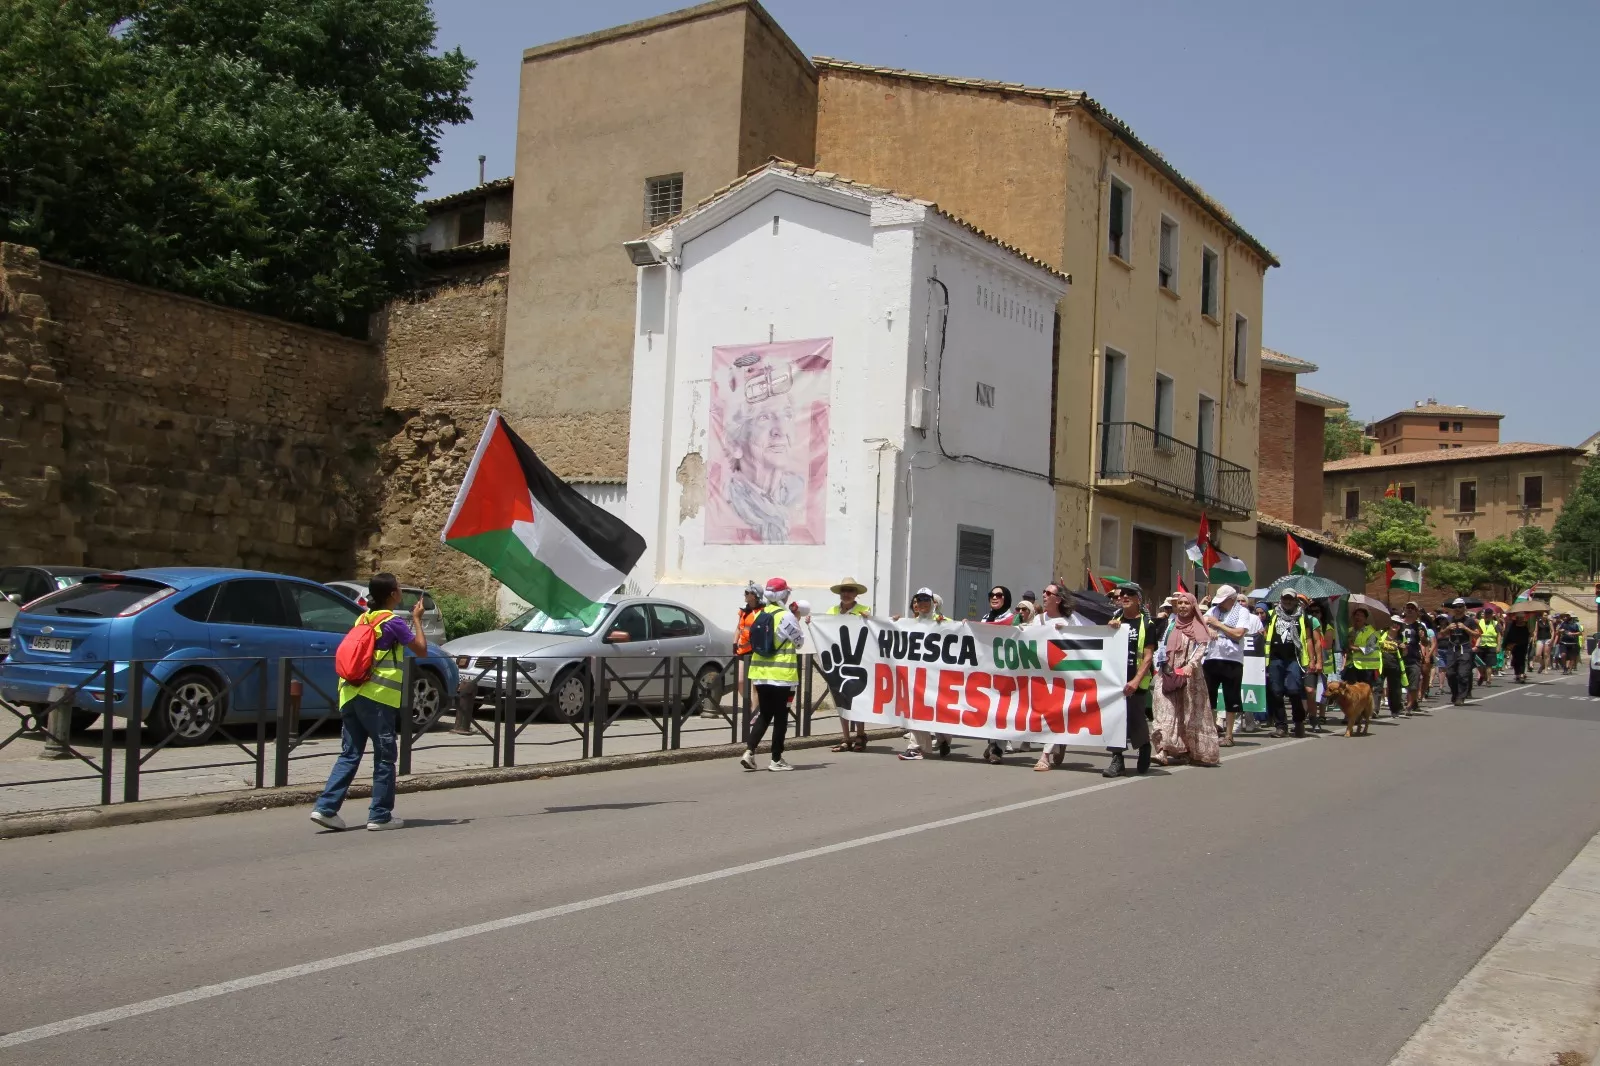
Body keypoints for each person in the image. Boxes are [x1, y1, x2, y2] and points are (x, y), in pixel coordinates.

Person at [311, 572, 429, 831]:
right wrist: (417, 620)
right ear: (392, 594)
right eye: (398, 588)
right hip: (377, 697)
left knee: (349, 754)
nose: (400, 591)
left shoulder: (362, 618)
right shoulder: (392, 621)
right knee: (385, 756)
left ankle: (326, 808)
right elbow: (421, 649)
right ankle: (380, 815)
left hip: (350, 693)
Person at [739, 577, 805, 772]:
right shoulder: (786, 616)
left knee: (765, 714)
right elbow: (799, 642)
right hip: (781, 675)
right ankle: (776, 759)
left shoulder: (760, 613)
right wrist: (797, 621)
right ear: (784, 595)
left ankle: (749, 751)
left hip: (759, 673)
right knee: (781, 716)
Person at [1033, 581, 1098, 771]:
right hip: (1042, 675)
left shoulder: (1072, 620)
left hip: (1065, 675)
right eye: (1043, 592)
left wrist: (1070, 634)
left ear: (1058, 599)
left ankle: (1045, 755)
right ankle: (1059, 742)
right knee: (1046, 713)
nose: (1044, 595)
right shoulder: (1038, 620)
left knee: (1057, 712)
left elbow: (1093, 634)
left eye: (1048, 593)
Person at [1150, 591, 1221, 767]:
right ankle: (1162, 751)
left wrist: (1190, 665)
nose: (1182, 606)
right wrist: (1160, 666)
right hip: (1168, 672)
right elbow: (1163, 645)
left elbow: (1201, 647)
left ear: (1193, 606)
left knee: (1188, 713)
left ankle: (1188, 749)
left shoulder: (1199, 626)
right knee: (1164, 709)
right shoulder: (1172, 624)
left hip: (1190, 674)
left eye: (1186, 603)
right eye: (1180, 603)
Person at [1100, 582, 1154, 777]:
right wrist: (1110, 628)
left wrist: (1136, 681)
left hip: (1137, 679)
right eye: (1120, 594)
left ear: (1138, 599)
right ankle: (1117, 759)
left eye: (1129, 594)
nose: (1123, 597)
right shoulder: (1115, 621)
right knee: (1114, 718)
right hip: (1115, 680)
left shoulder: (1147, 624)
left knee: (1136, 718)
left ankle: (1144, 746)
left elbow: (1148, 657)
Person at [1202, 585, 1261, 746]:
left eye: (1223, 601)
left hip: (1232, 659)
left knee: (1231, 697)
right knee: (1209, 696)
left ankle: (1229, 735)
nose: (1220, 604)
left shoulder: (1242, 612)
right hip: (1212, 657)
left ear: (1232, 600)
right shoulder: (1213, 610)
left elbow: (1239, 633)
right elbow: (1202, 622)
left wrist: (1217, 625)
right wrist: (1209, 628)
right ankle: (1211, 731)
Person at [897, 588, 950, 761]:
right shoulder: (910, 623)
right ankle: (918, 747)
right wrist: (894, 623)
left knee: (938, 710)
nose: (922, 603)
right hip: (917, 676)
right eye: (919, 600)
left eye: (926, 599)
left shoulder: (944, 622)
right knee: (916, 710)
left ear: (933, 603)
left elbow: (960, 635)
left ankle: (943, 739)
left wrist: (962, 625)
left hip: (938, 676)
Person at [827, 577, 872, 753]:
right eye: (844, 590)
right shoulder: (831, 611)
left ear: (856, 594)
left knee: (857, 699)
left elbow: (872, 628)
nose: (846, 594)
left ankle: (860, 734)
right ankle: (846, 737)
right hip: (837, 661)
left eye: (850, 591)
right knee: (841, 699)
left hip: (857, 661)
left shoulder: (864, 610)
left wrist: (870, 619)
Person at [1264, 589, 1314, 737]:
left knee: (1293, 690)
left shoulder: (1302, 616)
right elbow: (1264, 632)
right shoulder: (1272, 614)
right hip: (1275, 658)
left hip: (1294, 658)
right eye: (1285, 599)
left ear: (1295, 601)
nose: (1287, 601)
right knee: (1276, 692)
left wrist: (1312, 660)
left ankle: (1299, 722)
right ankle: (1281, 726)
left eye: (1290, 599)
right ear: (1281, 599)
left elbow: (1309, 639)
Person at [979, 586, 1017, 763]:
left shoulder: (1012, 619)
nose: (994, 598)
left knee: (1001, 710)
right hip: (986, 671)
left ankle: (998, 748)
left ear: (1006, 598)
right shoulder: (986, 618)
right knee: (988, 709)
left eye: (999, 595)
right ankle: (992, 742)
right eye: (991, 595)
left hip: (1005, 671)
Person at [1438, 598, 1480, 706]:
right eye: (1456, 607)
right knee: (1450, 673)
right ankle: (1455, 693)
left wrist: (1465, 628)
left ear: (1464, 608)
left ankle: (1461, 696)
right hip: (1452, 649)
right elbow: (1441, 634)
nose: (1458, 609)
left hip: (1464, 648)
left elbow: (1477, 634)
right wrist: (1447, 628)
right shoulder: (1449, 619)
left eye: (1460, 606)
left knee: (1463, 674)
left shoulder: (1470, 620)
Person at [733, 581, 762, 712]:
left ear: (754, 595)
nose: (744, 595)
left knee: (756, 685)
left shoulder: (762, 611)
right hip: (742, 651)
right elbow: (739, 628)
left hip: (756, 652)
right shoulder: (743, 611)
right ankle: (750, 704)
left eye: (747, 593)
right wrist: (734, 643)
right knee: (739, 681)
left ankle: (754, 712)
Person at [1343, 607, 1382, 687]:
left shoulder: (1371, 632)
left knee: (1365, 693)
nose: (1358, 617)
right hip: (1351, 665)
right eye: (1357, 615)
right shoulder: (1349, 631)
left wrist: (1353, 647)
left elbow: (1370, 649)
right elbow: (1344, 647)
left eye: (1361, 616)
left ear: (1365, 619)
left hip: (1366, 668)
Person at [1379, 616, 1407, 718]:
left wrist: (1404, 648)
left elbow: (1404, 654)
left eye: (1398, 624)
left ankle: (1395, 710)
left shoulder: (1401, 638)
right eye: (1393, 622)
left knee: (1395, 690)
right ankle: (1374, 710)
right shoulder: (1382, 634)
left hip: (1394, 666)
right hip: (1381, 665)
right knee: (1378, 688)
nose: (1395, 625)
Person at [1504, 610, 1532, 683]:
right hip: (1514, 644)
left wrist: (1530, 633)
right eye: (1519, 617)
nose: (1520, 619)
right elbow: (1508, 634)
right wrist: (1507, 644)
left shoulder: (1526, 625)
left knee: (1522, 659)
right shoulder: (1512, 624)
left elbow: (1528, 634)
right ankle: (1517, 674)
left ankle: (1522, 674)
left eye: (1522, 617)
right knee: (1516, 659)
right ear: (1516, 617)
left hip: (1523, 644)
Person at [1476, 610, 1500, 687]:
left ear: (1492, 615)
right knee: (1479, 663)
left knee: (1489, 665)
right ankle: (1483, 675)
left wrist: (1498, 646)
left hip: (1491, 645)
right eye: (1486, 614)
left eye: (1489, 614)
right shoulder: (1480, 622)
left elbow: (1499, 635)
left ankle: (1488, 680)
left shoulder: (1495, 623)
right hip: (1481, 645)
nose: (1487, 615)